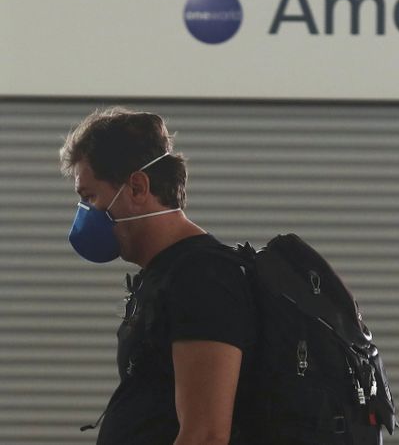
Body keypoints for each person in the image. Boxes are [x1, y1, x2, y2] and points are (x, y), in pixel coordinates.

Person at [60, 107, 258, 444]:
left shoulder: (201, 277)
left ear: (137, 187)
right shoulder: (167, 274)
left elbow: (206, 434)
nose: (85, 214)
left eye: (90, 197)